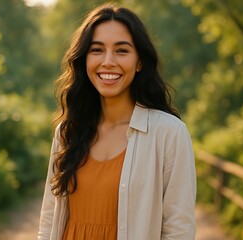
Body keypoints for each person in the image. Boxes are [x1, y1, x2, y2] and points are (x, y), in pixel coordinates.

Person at [38, 3, 196, 240]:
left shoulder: (169, 134)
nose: (108, 61)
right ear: (84, 59)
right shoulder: (68, 132)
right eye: (97, 50)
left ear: (140, 61)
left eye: (121, 51)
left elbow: (179, 231)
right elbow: (49, 221)